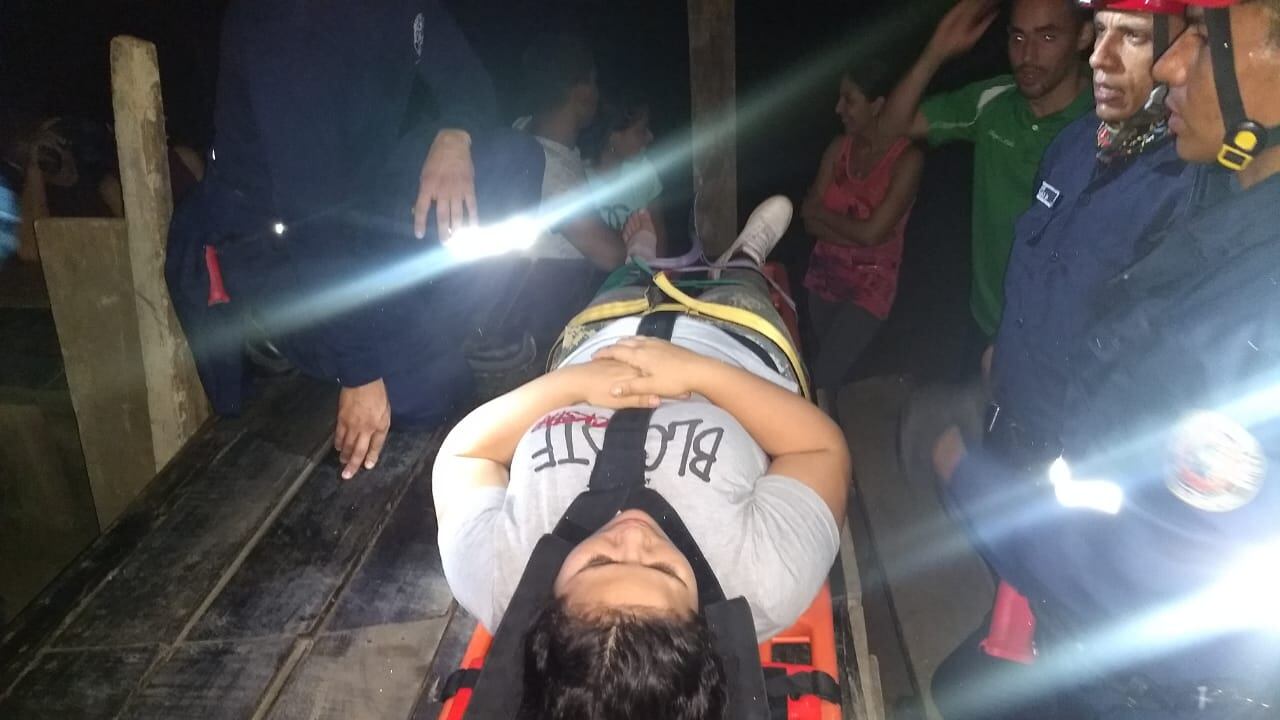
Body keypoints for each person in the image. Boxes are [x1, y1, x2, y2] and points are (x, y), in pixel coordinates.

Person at [928, 0, 1280, 715]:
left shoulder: (1250, 297)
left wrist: (968, 478)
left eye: (1201, 37)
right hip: (1071, 568)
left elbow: (1146, 571)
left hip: (1148, 683)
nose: (1171, 65)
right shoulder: (1215, 196)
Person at [434, 196, 849, 716]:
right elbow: (821, 449)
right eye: (665, 571)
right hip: (733, 341)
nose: (631, 535)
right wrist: (699, 373)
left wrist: (574, 385)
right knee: (742, 287)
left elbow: (464, 455)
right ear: (706, 626)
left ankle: (639, 254)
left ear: (546, 613)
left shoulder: (497, 577)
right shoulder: (765, 583)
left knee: (625, 280)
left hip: (598, 338)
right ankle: (746, 258)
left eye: (598, 562)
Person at [166, 0, 546, 480]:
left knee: (515, 157)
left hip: (359, 207)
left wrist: (456, 134)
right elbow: (311, 214)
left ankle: (432, 336)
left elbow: (470, 81)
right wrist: (361, 371)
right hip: (276, 239)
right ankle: (276, 334)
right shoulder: (283, 20)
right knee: (433, 392)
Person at [881, 0, 1095, 350]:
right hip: (988, 318)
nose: (1027, 55)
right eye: (1018, 38)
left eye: (1047, 37)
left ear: (1083, 36)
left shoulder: (1102, 120)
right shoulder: (994, 100)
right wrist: (935, 52)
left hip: (1061, 332)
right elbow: (891, 128)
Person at [800, 62, 923, 394]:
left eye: (849, 100)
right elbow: (809, 219)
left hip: (870, 289)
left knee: (821, 377)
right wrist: (860, 232)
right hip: (823, 280)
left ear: (878, 104)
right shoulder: (839, 148)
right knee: (829, 377)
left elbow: (872, 233)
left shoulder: (907, 160)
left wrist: (827, 217)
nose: (838, 108)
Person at [580, 90, 668, 261]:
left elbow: (660, 241)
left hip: (643, 272)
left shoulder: (644, 170)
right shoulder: (579, 176)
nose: (650, 136)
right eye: (641, 131)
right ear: (612, 136)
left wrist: (655, 274)